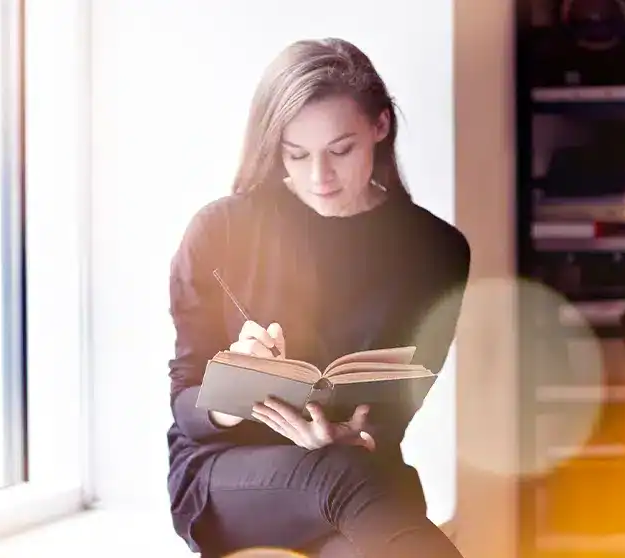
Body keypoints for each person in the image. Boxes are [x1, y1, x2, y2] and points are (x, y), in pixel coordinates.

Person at [166, 37, 471, 558]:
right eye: (296, 154)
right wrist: (235, 391)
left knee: (362, 518)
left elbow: (400, 403)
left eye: (340, 150)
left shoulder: (438, 250)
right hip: (225, 473)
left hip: (355, 471)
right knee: (349, 482)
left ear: (380, 126)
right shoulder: (220, 230)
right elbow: (185, 404)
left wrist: (358, 434)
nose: (318, 177)